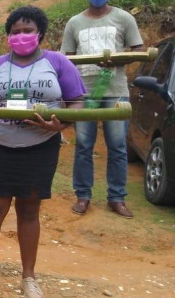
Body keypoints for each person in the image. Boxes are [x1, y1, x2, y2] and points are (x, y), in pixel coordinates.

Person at [0, 7, 86, 298]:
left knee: (29, 211)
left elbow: (76, 102)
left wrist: (59, 124)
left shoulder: (59, 63)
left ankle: (29, 278)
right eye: (15, 32)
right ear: (8, 36)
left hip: (40, 148)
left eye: (28, 31)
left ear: (41, 34)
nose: (21, 36)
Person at [61, 0, 144, 218]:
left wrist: (116, 61)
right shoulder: (74, 22)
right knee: (83, 145)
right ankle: (83, 195)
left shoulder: (124, 18)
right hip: (84, 92)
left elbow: (139, 49)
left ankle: (117, 198)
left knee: (117, 146)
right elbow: (66, 58)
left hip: (115, 91)